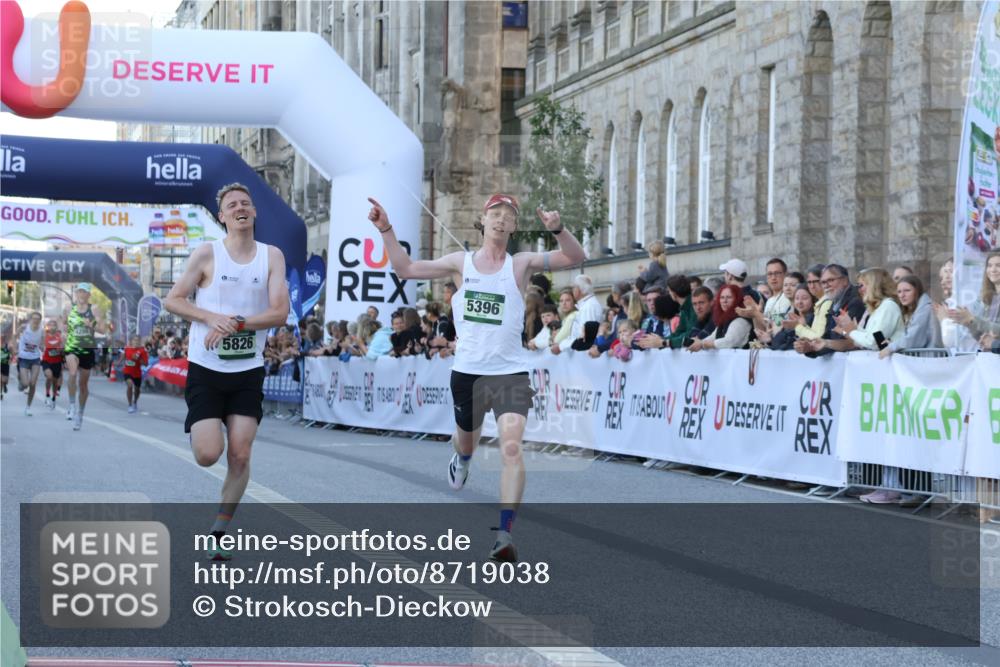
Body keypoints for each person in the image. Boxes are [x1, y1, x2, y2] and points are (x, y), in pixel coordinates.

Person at [367, 193, 585, 562]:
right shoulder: (459, 263)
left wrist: (559, 230)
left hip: (510, 372)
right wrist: (385, 228)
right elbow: (405, 269)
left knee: (512, 447)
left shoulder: (522, 264)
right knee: (466, 443)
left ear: (515, 226)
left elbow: (575, 258)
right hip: (468, 373)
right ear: (482, 222)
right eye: (495, 213)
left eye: (509, 215)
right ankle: (463, 460)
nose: (501, 220)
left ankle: (504, 533)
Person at [164, 182, 290, 561]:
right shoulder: (207, 254)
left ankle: (220, 531)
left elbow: (279, 313)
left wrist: (235, 324)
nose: (240, 208)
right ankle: (201, 433)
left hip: (247, 369)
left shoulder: (271, 256)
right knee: (208, 454)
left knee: (240, 453)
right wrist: (211, 318)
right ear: (221, 216)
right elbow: (173, 299)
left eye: (245, 204)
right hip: (206, 368)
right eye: (232, 204)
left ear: (254, 213)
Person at [806, 268, 902, 353]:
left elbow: (874, 341)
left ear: (873, 285)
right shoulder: (881, 307)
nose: (859, 290)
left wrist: (851, 331)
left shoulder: (888, 306)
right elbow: (874, 339)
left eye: (861, 285)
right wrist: (849, 328)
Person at [64, 285, 106, 429]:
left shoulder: (94, 309)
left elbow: (102, 329)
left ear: (89, 294)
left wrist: (91, 324)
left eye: (84, 291)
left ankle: (80, 414)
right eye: (79, 291)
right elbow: (61, 321)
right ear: (76, 293)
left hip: (87, 349)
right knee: (72, 372)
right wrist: (63, 330)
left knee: (83, 385)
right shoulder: (69, 308)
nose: (81, 294)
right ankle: (71, 406)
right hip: (72, 347)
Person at [880, 275, 941, 358]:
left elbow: (913, 338)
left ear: (917, 291)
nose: (902, 295)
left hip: (930, 361)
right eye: (899, 292)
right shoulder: (918, 308)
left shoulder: (925, 309)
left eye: (907, 290)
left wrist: (891, 347)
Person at [947, 251, 1000, 342]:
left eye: (998, 265)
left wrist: (973, 320)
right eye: (990, 265)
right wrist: (968, 323)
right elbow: (979, 336)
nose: (993, 269)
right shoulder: (984, 296)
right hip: (987, 353)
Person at [688, 284, 752, 351]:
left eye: (729, 297)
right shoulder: (724, 320)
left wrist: (702, 344)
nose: (724, 301)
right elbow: (713, 337)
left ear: (737, 299)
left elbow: (728, 341)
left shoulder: (741, 320)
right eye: (722, 297)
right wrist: (696, 342)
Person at [933, 258, 978, 352]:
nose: (946, 278)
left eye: (951, 271)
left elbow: (950, 340)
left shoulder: (965, 299)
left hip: (970, 358)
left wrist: (944, 319)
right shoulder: (953, 300)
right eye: (942, 276)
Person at [555, 274, 603, 354]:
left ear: (580, 289)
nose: (572, 289)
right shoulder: (585, 305)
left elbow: (586, 338)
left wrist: (561, 346)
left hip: (585, 355)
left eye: (574, 287)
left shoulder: (589, 306)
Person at [17, 311, 43, 416]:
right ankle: (21, 379)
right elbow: (14, 336)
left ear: (40, 320)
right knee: (25, 384)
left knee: (32, 383)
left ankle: (28, 407)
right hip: (23, 357)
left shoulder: (42, 330)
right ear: (30, 319)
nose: (36, 320)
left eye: (38, 318)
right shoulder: (24, 327)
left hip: (35, 358)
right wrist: (15, 347)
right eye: (34, 318)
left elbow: (43, 343)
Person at [41, 318, 64, 410]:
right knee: (49, 376)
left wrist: (61, 349)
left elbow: (64, 348)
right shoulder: (44, 335)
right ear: (47, 327)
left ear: (56, 327)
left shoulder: (60, 336)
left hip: (57, 361)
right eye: (50, 325)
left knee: (55, 382)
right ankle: (47, 394)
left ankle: (53, 398)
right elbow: (40, 345)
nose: (52, 326)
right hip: (46, 360)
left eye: (54, 325)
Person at [122, 334, 148, 413]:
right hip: (127, 371)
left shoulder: (142, 351)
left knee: (137, 389)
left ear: (140, 342)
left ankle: (135, 402)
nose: (136, 342)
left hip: (137, 373)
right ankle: (130, 405)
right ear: (131, 341)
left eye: (137, 340)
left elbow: (146, 364)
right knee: (129, 385)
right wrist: (118, 362)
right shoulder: (127, 349)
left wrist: (138, 359)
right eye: (134, 340)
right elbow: (123, 357)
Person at [0, 332, 11, 400]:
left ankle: (5, 385)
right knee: (0, 379)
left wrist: (11, 358)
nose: (2, 339)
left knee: (5, 381)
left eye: (3, 338)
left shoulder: (8, 346)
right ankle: (1, 394)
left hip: (6, 365)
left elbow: (12, 353)